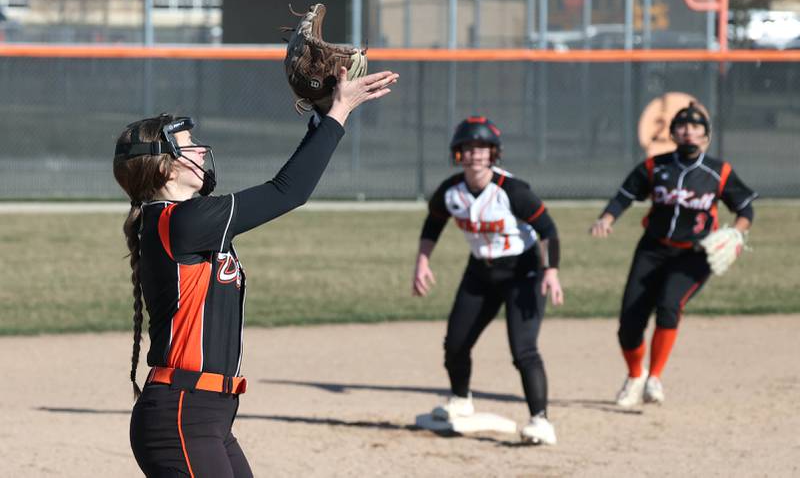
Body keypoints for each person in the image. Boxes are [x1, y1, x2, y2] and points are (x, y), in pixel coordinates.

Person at [113, 66, 398, 477]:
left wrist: (321, 116)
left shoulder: (184, 222)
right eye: (187, 147)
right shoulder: (181, 222)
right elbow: (289, 191)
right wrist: (337, 115)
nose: (199, 151)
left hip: (206, 416)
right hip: (181, 417)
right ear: (163, 168)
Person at [590, 102, 757, 408]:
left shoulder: (719, 172)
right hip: (653, 249)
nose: (689, 132)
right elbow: (625, 195)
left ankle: (654, 378)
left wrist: (736, 231)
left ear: (706, 137)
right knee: (629, 323)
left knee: (669, 305)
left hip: (694, 254)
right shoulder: (655, 167)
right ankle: (635, 376)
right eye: (682, 126)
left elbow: (745, 208)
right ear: (673, 133)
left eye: (696, 128)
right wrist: (607, 218)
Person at [412, 116, 564, 445]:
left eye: (482, 147)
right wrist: (422, 261)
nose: (475, 154)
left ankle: (540, 421)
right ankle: (461, 400)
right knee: (455, 344)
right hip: (480, 272)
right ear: (457, 153)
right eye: (467, 148)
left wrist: (550, 270)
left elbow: (548, 230)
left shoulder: (513, 190)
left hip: (523, 273)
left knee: (523, 350)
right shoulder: (451, 191)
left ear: (494, 153)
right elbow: (433, 224)